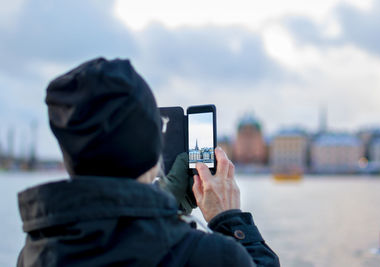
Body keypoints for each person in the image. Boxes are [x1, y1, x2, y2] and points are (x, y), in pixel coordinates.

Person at [17, 58, 280, 267]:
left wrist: (160, 207)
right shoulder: (205, 256)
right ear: (153, 146)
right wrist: (230, 219)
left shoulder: (34, 252)